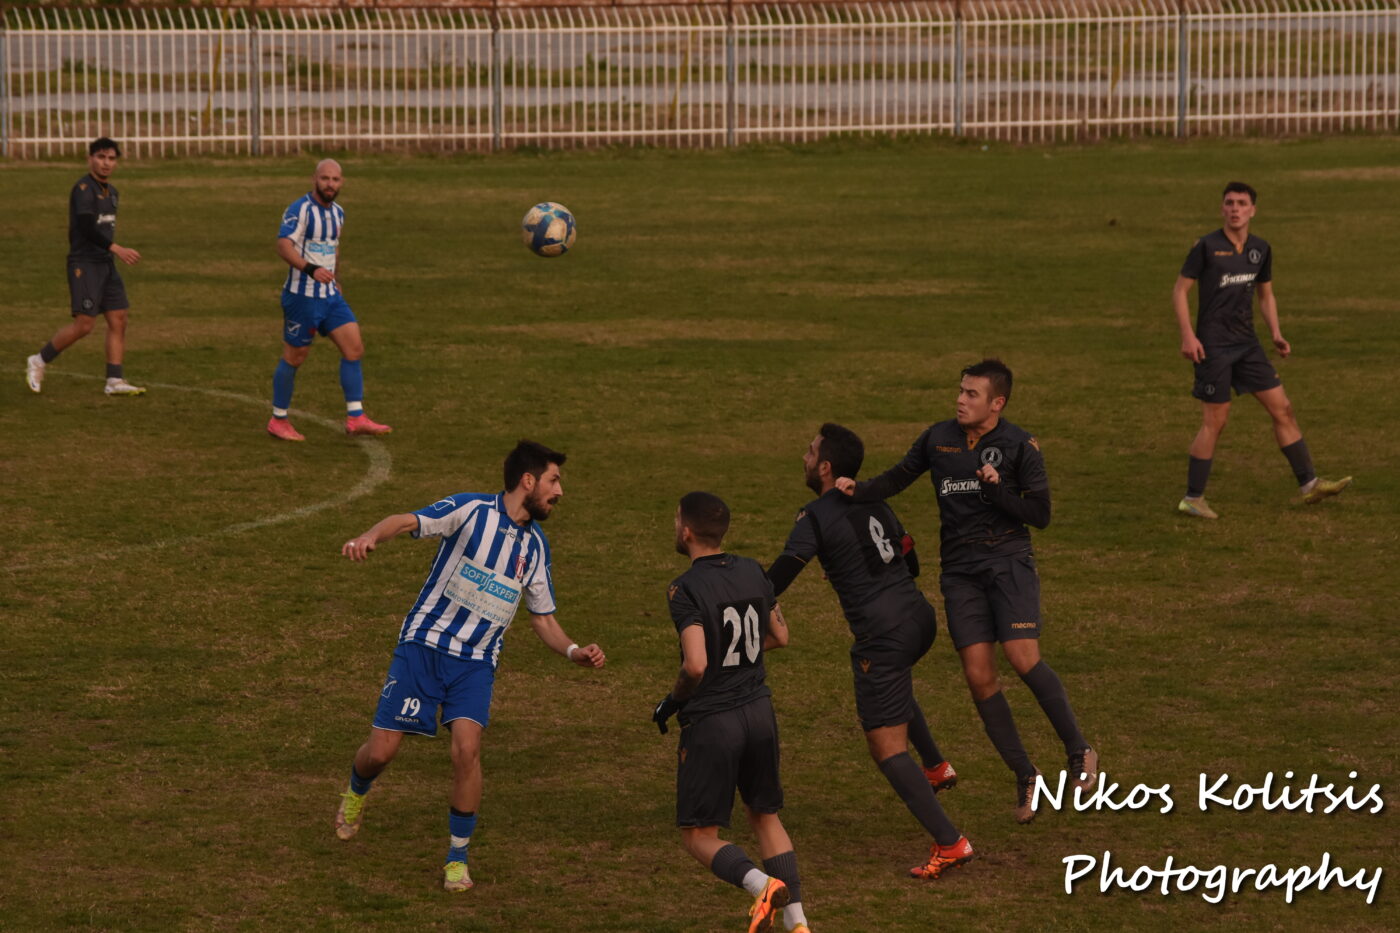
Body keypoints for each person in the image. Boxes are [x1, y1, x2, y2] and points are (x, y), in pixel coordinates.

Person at [334, 440, 605, 892]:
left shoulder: (536, 547)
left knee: (467, 750)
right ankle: (356, 791)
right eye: (555, 481)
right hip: (424, 645)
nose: (560, 492)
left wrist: (573, 650)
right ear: (528, 480)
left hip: (476, 663)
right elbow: (408, 520)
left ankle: (456, 858)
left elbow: (543, 618)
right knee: (381, 752)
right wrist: (369, 536)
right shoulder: (471, 510)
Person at [836, 359, 1097, 825]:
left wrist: (997, 492)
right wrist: (858, 490)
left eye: (971, 394)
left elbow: (1040, 514)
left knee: (1022, 657)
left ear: (996, 403)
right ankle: (1025, 773)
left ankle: (1078, 749)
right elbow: (898, 477)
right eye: (960, 390)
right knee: (979, 677)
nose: (960, 399)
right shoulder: (938, 438)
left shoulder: (1020, 446)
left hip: (1008, 562)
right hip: (959, 572)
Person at [767, 423, 973, 880]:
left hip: (883, 636)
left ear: (825, 467)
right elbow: (910, 559)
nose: (803, 457)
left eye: (809, 451)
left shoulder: (815, 516)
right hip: (919, 620)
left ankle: (951, 843)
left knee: (887, 750)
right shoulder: (874, 499)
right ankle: (936, 766)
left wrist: (744, 596)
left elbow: (783, 572)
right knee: (894, 688)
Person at [652, 492, 810, 933]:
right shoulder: (754, 571)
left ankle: (760, 884)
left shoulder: (685, 588)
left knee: (698, 835)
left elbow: (696, 664)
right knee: (766, 817)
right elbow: (780, 635)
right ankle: (798, 925)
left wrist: (674, 700)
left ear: (686, 531)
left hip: (713, 721)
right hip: (759, 712)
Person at [1173, 181, 1350, 518]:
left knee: (1282, 409)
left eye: (1241, 203)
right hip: (1214, 347)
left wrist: (1276, 333)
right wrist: (1188, 336)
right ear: (1222, 209)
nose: (1235, 209)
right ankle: (1192, 498)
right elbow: (1180, 291)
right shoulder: (1207, 247)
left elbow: (1265, 295)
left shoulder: (1260, 249)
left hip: (1248, 345)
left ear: (1253, 210)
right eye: (1229, 203)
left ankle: (1309, 485)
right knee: (1216, 421)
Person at [267, 159, 391, 441]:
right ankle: (278, 419)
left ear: (341, 182)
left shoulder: (338, 213)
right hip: (302, 298)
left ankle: (356, 416)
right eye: (325, 179)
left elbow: (333, 248)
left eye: (335, 180)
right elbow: (283, 245)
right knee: (295, 356)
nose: (330, 185)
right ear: (315, 179)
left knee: (354, 347)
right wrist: (310, 269)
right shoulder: (300, 210)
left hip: (330, 297)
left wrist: (336, 278)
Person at [25, 137, 145, 396]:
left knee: (119, 317)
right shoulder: (83, 189)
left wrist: (111, 254)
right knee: (85, 325)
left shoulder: (112, 192)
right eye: (101, 157)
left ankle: (114, 380)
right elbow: (86, 227)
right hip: (85, 264)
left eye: (111, 159)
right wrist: (117, 249)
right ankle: (39, 360)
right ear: (90, 158)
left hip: (105, 264)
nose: (106, 163)